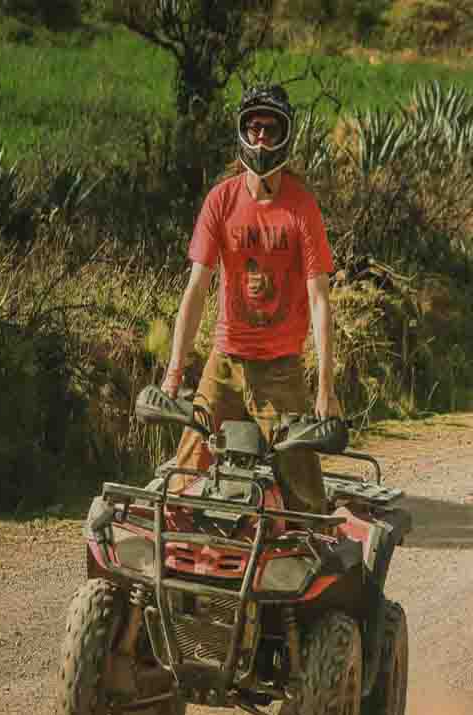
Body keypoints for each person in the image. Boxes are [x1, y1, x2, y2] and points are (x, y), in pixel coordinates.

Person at [160, 84, 341, 514]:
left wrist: (325, 389)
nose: (261, 137)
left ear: (285, 136)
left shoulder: (302, 207)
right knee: (185, 475)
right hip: (224, 362)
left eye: (271, 129)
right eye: (254, 127)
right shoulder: (220, 201)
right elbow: (197, 288)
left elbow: (319, 300)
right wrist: (173, 372)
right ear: (243, 132)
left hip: (281, 368)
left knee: (306, 497)